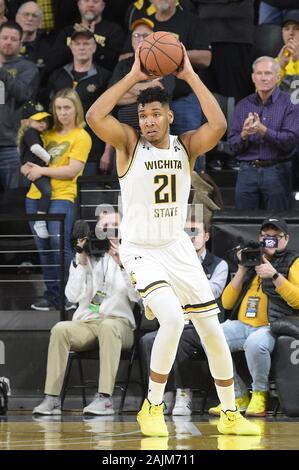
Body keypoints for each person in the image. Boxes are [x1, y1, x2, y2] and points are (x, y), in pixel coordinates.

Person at [86, 42, 260, 436]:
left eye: (154, 114)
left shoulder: (186, 147)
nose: (147, 120)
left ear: (169, 116)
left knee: (212, 328)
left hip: (176, 248)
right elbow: (96, 115)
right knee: (171, 318)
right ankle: (152, 405)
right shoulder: (129, 144)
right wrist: (133, 75)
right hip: (141, 251)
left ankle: (231, 414)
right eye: (142, 115)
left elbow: (218, 126)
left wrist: (189, 74)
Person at [32, 210, 140, 416]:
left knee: (108, 327)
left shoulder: (133, 256)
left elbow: (139, 297)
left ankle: (105, 399)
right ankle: (52, 398)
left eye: (113, 227)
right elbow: (72, 296)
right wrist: (81, 259)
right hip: (88, 324)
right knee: (60, 329)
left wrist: (123, 265)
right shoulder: (87, 257)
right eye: (103, 227)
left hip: (119, 325)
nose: (108, 232)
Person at [209, 217, 299, 417]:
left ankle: (260, 394)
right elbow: (227, 303)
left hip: (272, 325)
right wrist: (242, 269)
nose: (270, 241)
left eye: (275, 237)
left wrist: (275, 275)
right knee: (212, 337)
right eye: (266, 237)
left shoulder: (293, 261)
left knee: (255, 342)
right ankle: (236, 395)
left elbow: (298, 301)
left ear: (286, 239)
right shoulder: (251, 258)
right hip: (242, 324)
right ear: (259, 238)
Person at [139, 218, 229, 416]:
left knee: (181, 337)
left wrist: (182, 285)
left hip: (204, 323)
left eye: (195, 231)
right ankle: (162, 394)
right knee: (148, 340)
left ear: (206, 236)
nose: (191, 236)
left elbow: (212, 291)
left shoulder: (219, 264)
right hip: (180, 318)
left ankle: (184, 394)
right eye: (187, 232)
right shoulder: (171, 263)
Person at [22, 88, 92, 311]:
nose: (62, 113)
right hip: (34, 196)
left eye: (67, 108)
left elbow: (72, 170)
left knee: (60, 245)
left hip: (63, 195)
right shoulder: (47, 133)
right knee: (43, 248)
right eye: (58, 108)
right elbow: (27, 156)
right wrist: (26, 167)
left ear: (76, 109)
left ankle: (69, 295)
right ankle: (51, 296)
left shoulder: (81, 136)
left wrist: (42, 172)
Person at [229, 56, 299, 211]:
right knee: (243, 223)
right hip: (246, 171)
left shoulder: (290, 104)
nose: (263, 78)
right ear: (253, 77)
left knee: (276, 223)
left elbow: (291, 141)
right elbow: (233, 146)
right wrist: (244, 134)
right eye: (259, 73)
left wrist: (263, 130)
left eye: (268, 73)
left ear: (278, 76)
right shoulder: (242, 105)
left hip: (277, 170)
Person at [46, 29, 112, 176]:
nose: (82, 47)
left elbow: (110, 115)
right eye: (77, 44)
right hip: (60, 148)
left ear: (94, 47)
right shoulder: (57, 75)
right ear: (71, 46)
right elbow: (48, 112)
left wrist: (108, 152)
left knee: (89, 194)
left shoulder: (104, 77)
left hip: (93, 148)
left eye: (86, 43)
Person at [0, 20, 39, 191]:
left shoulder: (28, 68)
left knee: (13, 202)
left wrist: (1, 71)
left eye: (13, 39)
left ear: (21, 43)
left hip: (11, 144)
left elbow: (23, 93)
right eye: (4, 37)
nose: (8, 42)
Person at [18, 100, 52, 239]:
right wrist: (49, 159)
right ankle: (40, 222)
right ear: (27, 122)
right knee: (46, 191)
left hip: (36, 167)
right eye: (38, 120)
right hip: (33, 168)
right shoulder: (31, 132)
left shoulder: (37, 133)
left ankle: (40, 221)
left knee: (46, 191)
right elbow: (35, 148)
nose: (42, 123)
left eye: (44, 120)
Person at [276, 10, 299, 93]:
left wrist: (295, 62)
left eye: (296, 28)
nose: (291, 33)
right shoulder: (275, 62)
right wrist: (280, 67)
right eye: (287, 29)